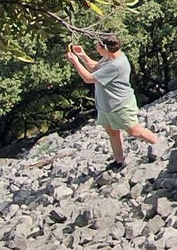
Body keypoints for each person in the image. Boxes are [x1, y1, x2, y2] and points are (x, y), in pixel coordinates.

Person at [66, 34, 159, 167]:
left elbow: (89, 78)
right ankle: (119, 161)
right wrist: (82, 55)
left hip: (120, 104)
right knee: (112, 131)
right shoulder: (111, 56)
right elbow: (96, 67)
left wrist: (75, 61)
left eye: (98, 44)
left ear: (104, 48)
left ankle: (159, 146)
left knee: (134, 131)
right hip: (107, 105)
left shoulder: (116, 65)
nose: (96, 46)